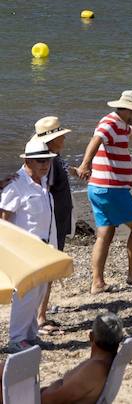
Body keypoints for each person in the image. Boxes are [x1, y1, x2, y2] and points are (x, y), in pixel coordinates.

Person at [74, 90, 132, 292]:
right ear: (129, 110)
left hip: (99, 188)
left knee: (105, 233)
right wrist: (85, 165)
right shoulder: (110, 123)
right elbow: (96, 139)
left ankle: (97, 283)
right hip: (111, 187)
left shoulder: (123, 124)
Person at [2, 139, 58, 350]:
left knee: (39, 292)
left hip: (44, 248)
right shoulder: (16, 184)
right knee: (24, 294)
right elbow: (5, 219)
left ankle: (31, 335)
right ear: (27, 161)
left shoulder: (41, 182)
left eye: (47, 161)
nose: (44, 165)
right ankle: (16, 339)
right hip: (24, 250)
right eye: (39, 161)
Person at [32, 116, 72, 337]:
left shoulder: (52, 159)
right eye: (60, 135)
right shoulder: (49, 161)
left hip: (55, 219)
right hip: (52, 222)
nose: (64, 138)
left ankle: (40, 315)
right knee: (48, 269)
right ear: (51, 140)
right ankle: (40, 318)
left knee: (48, 269)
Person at [39, 312, 125, 404]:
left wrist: (40, 394)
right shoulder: (108, 361)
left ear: (91, 337)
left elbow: (50, 400)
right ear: (119, 339)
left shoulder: (96, 369)